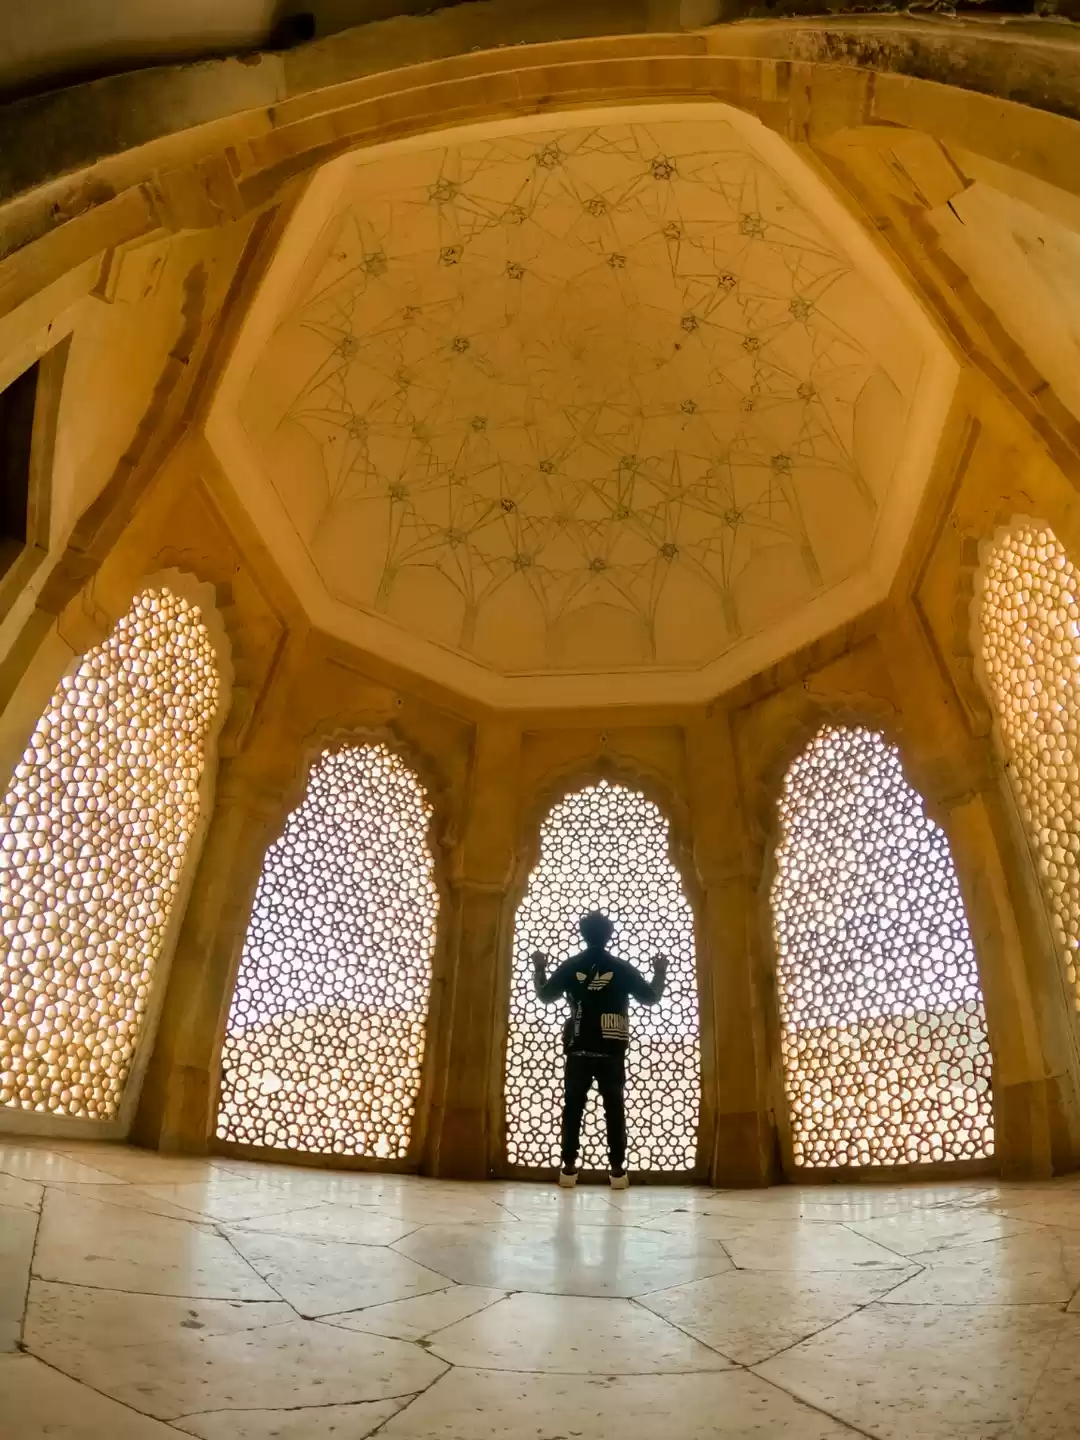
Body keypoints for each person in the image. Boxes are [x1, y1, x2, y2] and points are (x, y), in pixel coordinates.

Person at [532, 910, 668, 1190]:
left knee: (573, 1109)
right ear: (609, 936)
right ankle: (617, 1171)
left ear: (583, 934)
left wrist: (539, 967)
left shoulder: (572, 966)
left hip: (579, 1046)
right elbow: (651, 997)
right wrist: (660, 972)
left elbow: (545, 995)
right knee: (614, 1109)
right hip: (611, 1048)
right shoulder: (621, 968)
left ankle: (568, 1169)